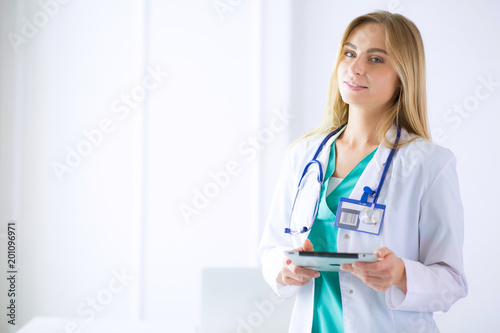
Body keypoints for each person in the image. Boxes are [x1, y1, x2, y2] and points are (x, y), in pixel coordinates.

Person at [258, 10, 467, 333]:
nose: (355, 68)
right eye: (350, 53)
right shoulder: (303, 156)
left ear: (404, 76)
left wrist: (400, 273)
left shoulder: (429, 164)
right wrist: (284, 268)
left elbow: (452, 281)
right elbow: (271, 249)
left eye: (376, 59)